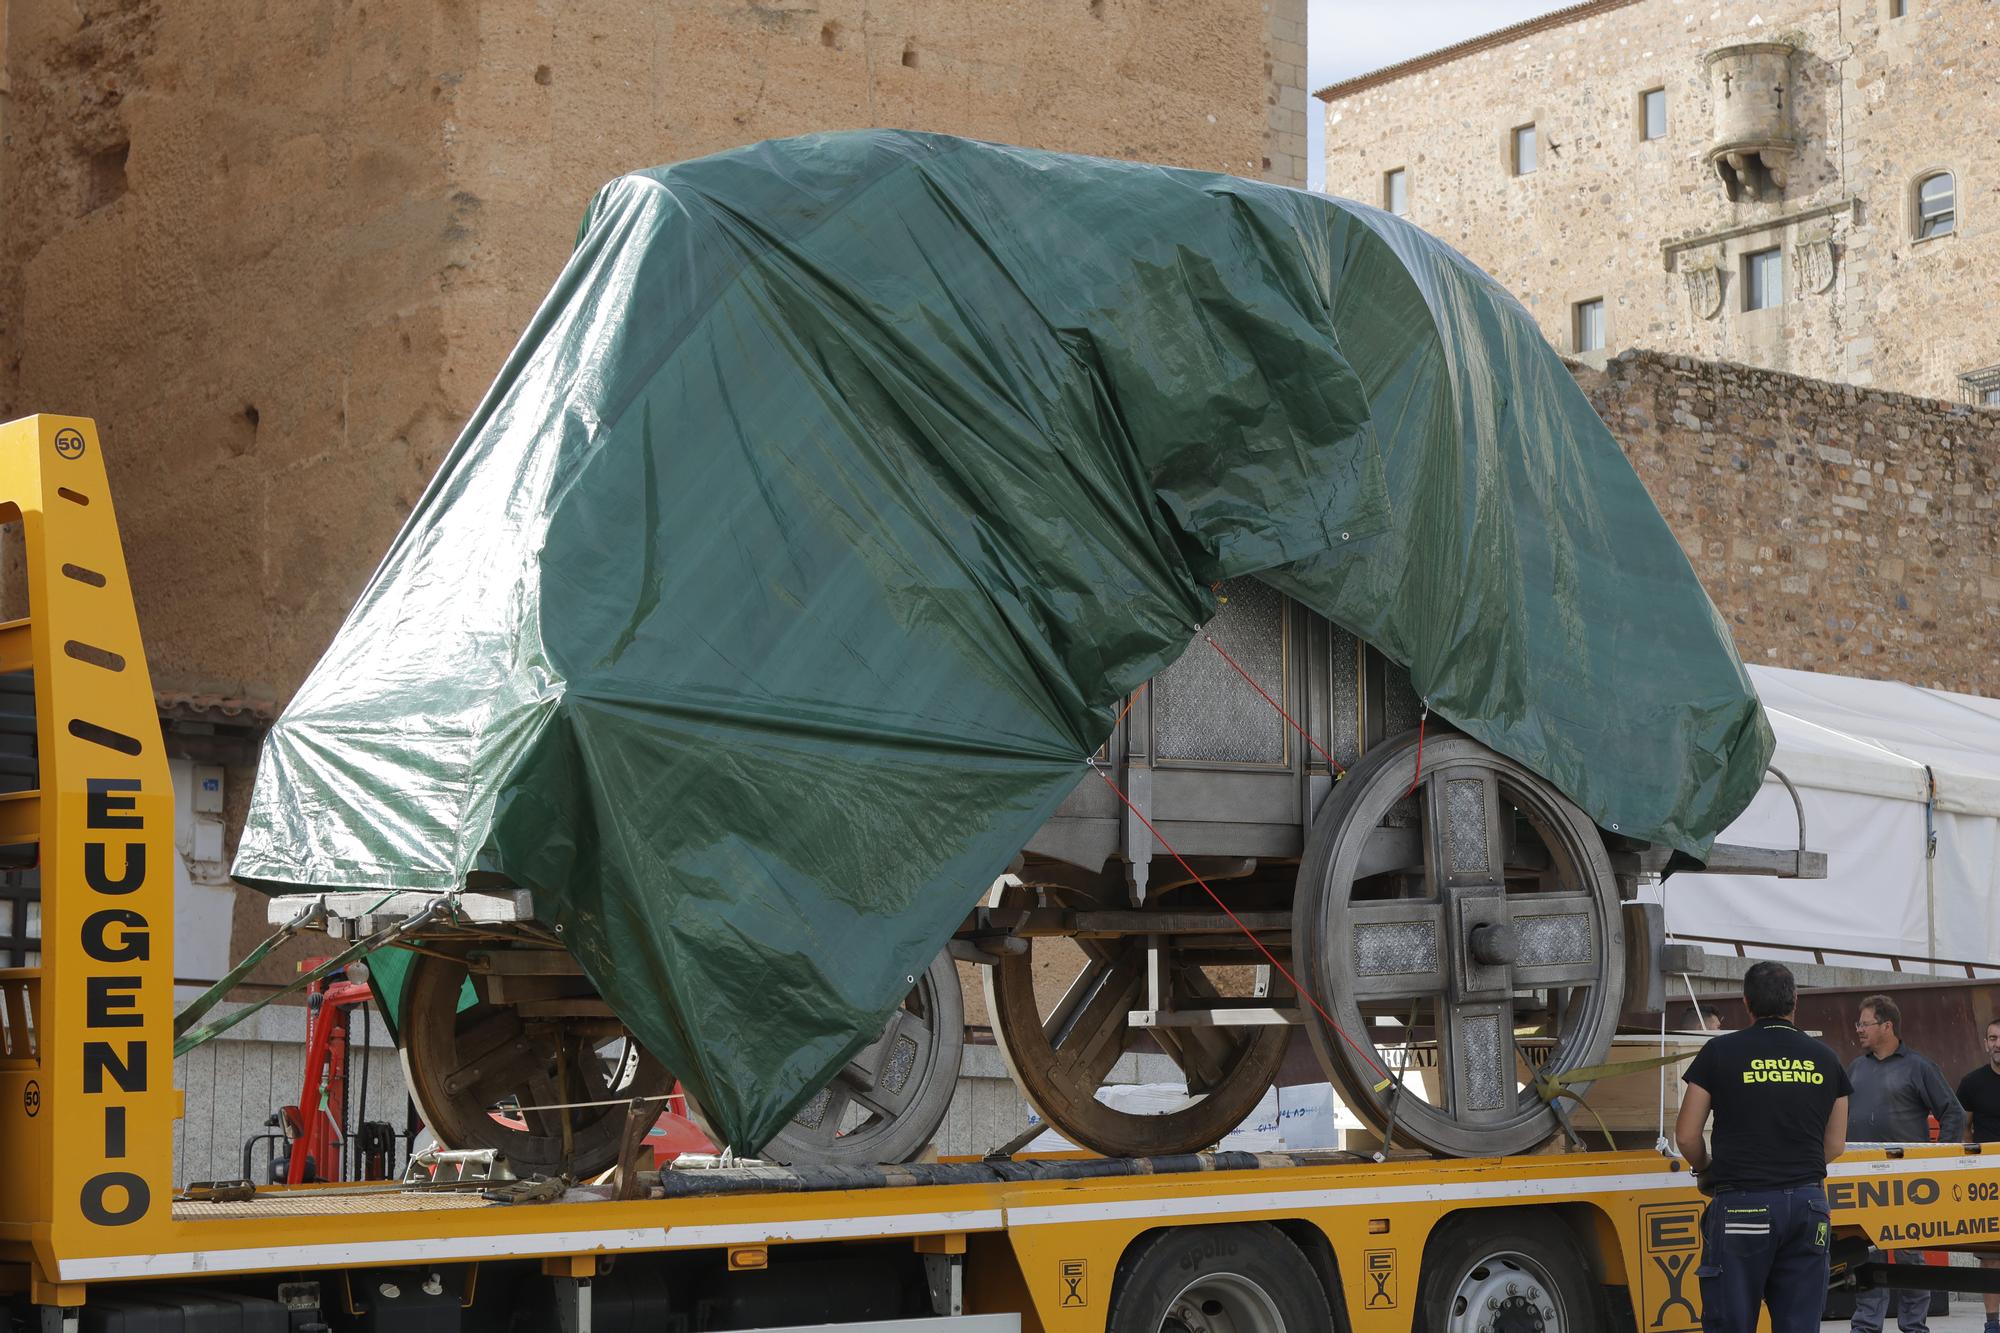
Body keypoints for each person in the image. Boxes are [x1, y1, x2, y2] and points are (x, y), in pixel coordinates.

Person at [1676, 960, 1851, 1333]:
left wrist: (1705, 1168)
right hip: (1808, 1207)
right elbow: (1835, 1143)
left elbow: (1687, 1136)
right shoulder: (1826, 1058)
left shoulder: (1720, 1052)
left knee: (1732, 1322)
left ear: (1746, 1003)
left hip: (1744, 1206)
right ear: (1795, 1002)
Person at [1847, 994, 1966, 1333]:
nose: (1859, 1030)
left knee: (1909, 1255)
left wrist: (1937, 1162)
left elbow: (1952, 1113)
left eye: (1864, 1023)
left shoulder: (1919, 1066)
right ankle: (1866, 1325)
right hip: (1863, 1180)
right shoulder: (1856, 1067)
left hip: (1906, 1182)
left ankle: (1914, 1326)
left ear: (1887, 1025)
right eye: (1858, 1023)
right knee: (1867, 1256)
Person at [1956, 1017, 2000, 1333]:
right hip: (1987, 1181)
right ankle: (1992, 1323)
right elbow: (1964, 1128)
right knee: (1990, 1255)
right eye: (1993, 1038)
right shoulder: (1972, 1083)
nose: (1998, 1043)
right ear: (1986, 1044)